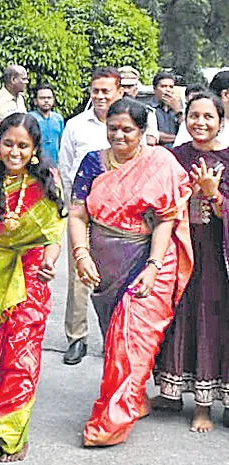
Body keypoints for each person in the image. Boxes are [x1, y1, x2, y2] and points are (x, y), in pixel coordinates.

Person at [69, 98, 193, 447]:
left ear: (142, 132)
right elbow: (78, 214)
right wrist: (81, 255)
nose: (119, 135)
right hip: (103, 262)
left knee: (131, 342)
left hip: (146, 258)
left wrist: (154, 267)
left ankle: (110, 423)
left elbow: (167, 217)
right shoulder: (93, 162)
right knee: (114, 337)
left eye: (127, 129)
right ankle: (133, 397)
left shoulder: (159, 163)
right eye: (113, 128)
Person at [0, 113, 66, 462]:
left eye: (23, 146)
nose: (14, 152)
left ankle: (11, 432)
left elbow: (54, 233)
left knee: (20, 352)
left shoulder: (47, 180)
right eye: (8, 144)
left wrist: (49, 262)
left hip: (32, 269)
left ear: (34, 150)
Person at [153, 92, 229, 432]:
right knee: (176, 318)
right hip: (179, 251)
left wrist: (213, 193)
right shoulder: (173, 157)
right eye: (193, 116)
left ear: (221, 122)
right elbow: (158, 201)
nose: (200, 122)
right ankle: (171, 394)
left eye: (208, 116)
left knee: (208, 321)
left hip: (216, 255)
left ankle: (203, 406)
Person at [58, 67, 123, 366]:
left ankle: (115, 337)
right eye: (95, 90)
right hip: (83, 211)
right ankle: (76, 338)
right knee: (79, 277)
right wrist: (74, 210)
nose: (99, 96)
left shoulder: (132, 123)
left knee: (117, 278)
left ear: (119, 92)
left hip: (121, 218)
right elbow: (66, 168)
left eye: (106, 91)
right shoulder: (75, 126)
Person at [175, 75, 229, 147]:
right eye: (195, 116)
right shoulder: (194, 127)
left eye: (208, 116)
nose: (200, 122)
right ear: (225, 94)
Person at [118, 66, 159, 146]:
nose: (126, 90)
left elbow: (151, 141)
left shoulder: (147, 112)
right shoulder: (106, 111)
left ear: (136, 90)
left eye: (129, 87)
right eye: (123, 86)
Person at [29, 83, 64, 166]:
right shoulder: (30, 118)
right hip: (34, 165)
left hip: (54, 166)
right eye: (42, 98)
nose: (46, 100)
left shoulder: (58, 119)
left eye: (49, 98)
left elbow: (62, 144)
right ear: (35, 101)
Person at [150, 71, 184, 148]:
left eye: (171, 87)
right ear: (154, 89)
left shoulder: (178, 108)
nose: (168, 90)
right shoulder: (148, 108)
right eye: (163, 86)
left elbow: (187, 130)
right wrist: (178, 138)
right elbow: (153, 135)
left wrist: (178, 111)